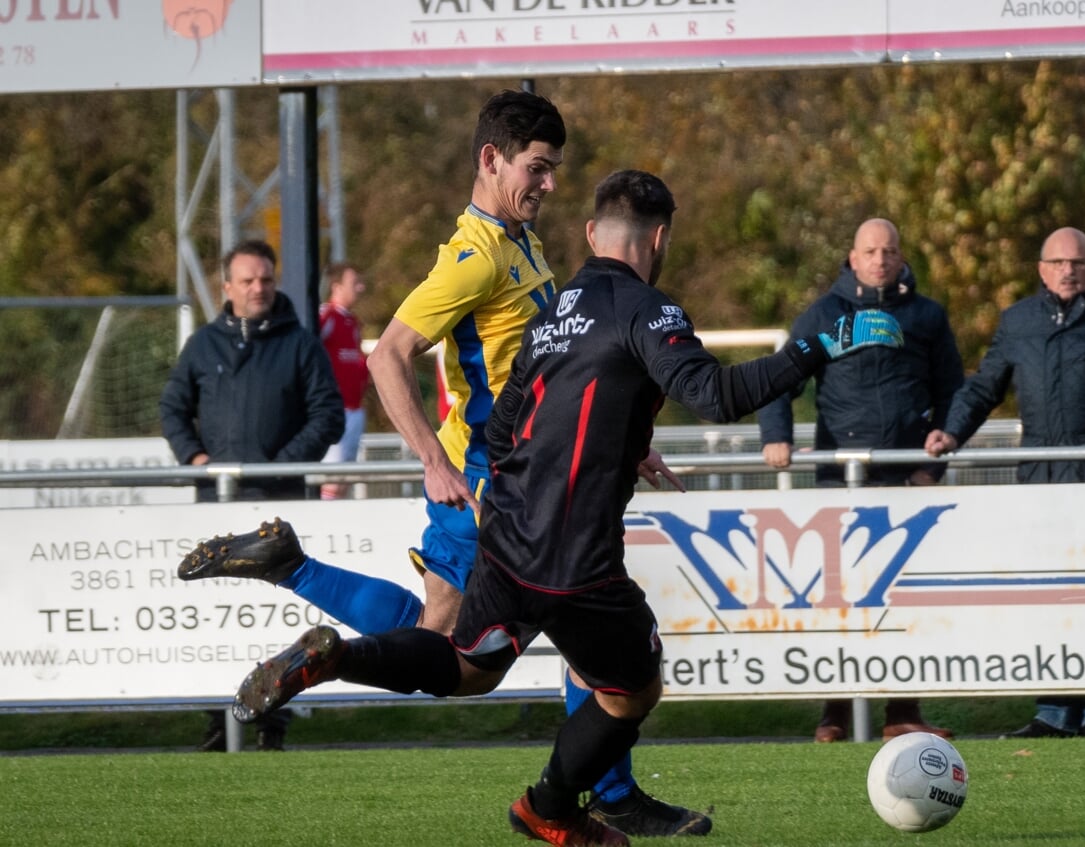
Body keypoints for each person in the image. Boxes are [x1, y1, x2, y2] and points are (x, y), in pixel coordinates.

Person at [224, 169, 902, 847]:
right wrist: (814, 348)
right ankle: (548, 805)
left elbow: (507, 423)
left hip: (508, 532)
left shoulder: (553, 313)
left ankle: (341, 657)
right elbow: (716, 395)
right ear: (659, 237)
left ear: (588, 234)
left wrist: (606, 455)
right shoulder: (649, 308)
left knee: (465, 665)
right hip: (579, 557)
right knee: (631, 689)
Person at [174, 91, 704, 837]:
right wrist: (432, 460)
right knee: (478, 653)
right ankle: (602, 793)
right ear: (490, 160)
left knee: (477, 643)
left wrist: (624, 441)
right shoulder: (474, 255)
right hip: (493, 486)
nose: (549, 184)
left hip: (519, 476)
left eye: (553, 170)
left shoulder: (520, 240)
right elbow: (388, 354)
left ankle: (297, 574)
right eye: (537, 168)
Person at [924, 227, 1085, 739]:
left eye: (1078, 262)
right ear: (1041, 269)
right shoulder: (1017, 322)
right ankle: (1052, 711)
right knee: (1048, 595)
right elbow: (983, 388)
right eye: (1058, 262)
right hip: (1040, 482)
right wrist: (951, 430)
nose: (1068, 270)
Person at [758, 218, 962, 744]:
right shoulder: (825, 315)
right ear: (852, 258)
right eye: (870, 251)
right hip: (838, 483)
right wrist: (776, 436)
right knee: (842, 601)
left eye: (889, 251)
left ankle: (902, 711)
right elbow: (780, 378)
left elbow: (952, 392)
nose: (879, 260)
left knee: (904, 600)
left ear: (901, 257)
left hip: (906, 484)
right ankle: (835, 713)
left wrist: (932, 464)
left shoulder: (926, 316)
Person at [159, 238, 345, 751]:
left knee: (276, 613)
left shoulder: (301, 344)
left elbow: (327, 414)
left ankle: (273, 720)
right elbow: (173, 408)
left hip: (279, 507)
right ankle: (219, 720)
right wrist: (196, 460)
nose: (259, 288)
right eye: (248, 280)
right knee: (219, 615)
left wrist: (281, 468)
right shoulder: (202, 346)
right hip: (216, 505)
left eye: (265, 278)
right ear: (227, 288)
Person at [318, 262, 370, 499]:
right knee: (332, 479)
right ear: (336, 286)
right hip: (336, 410)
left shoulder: (353, 321)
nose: (360, 287)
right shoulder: (326, 316)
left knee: (345, 477)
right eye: (354, 283)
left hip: (354, 409)